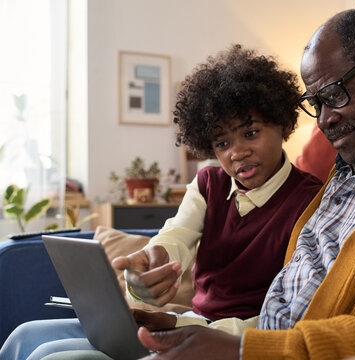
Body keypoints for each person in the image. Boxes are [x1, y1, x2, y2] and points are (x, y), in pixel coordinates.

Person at [32, 7, 355, 360]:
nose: (326, 119)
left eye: (335, 95)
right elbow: (191, 249)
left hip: (267, 351)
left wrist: (245, 350)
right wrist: (187, 324)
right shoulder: (350, 170)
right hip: (247, 341)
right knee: (31, 340)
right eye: (316, 102)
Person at [0, 44, 322, 360]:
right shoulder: (209, 183)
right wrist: (150, 266)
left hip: (229, 339)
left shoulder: (311, 200)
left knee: (51, 355)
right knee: (25, 335)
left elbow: (284, 320)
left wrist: (175, 322)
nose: (237, 152)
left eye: (250, 133)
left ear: (283, 123)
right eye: (222, 142)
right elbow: (175, 236)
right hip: (189, 323)